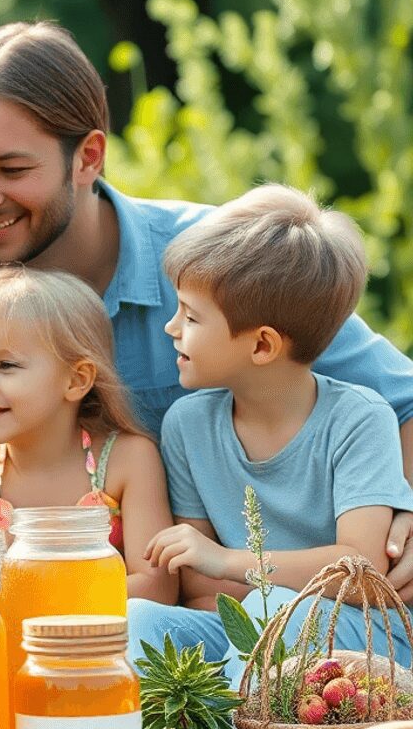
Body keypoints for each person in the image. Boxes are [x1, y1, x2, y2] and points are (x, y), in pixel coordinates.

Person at [0, 19, 413, 592]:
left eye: (12, 170)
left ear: (89, 157)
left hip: (235, 603)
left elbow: (403, 401)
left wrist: (405, 520)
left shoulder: (211, 269)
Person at [127, 186, 413, 675]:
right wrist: (222, 575)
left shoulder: (361, 419)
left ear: (262, 346)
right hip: (243, 627)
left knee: (276, 611)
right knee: (137, 622)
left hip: (355, 639)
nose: (171, 328)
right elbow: (199, 589)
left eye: (191, 316)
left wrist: (227, 561)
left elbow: (361, 574)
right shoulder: (187, 425)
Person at [0, 265, 174, 601]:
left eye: (6, 365)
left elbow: (156, 587)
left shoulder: (128, 459)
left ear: (76, 380)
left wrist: (36, 597)